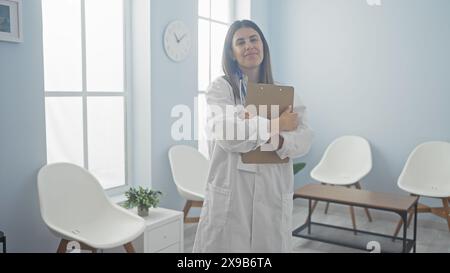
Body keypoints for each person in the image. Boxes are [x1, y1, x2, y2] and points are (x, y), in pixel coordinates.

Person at [192, 20, 313, 253]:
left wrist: (278, 140)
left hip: (272, 195)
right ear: (232, 52)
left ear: (263, 46)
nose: (249, 46)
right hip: (231, 197)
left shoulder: (285, 92)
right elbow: (228, 134)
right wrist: (278, 123)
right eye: (240, 42)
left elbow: (305, 137)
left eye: (253, 39)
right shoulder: (222, 89)